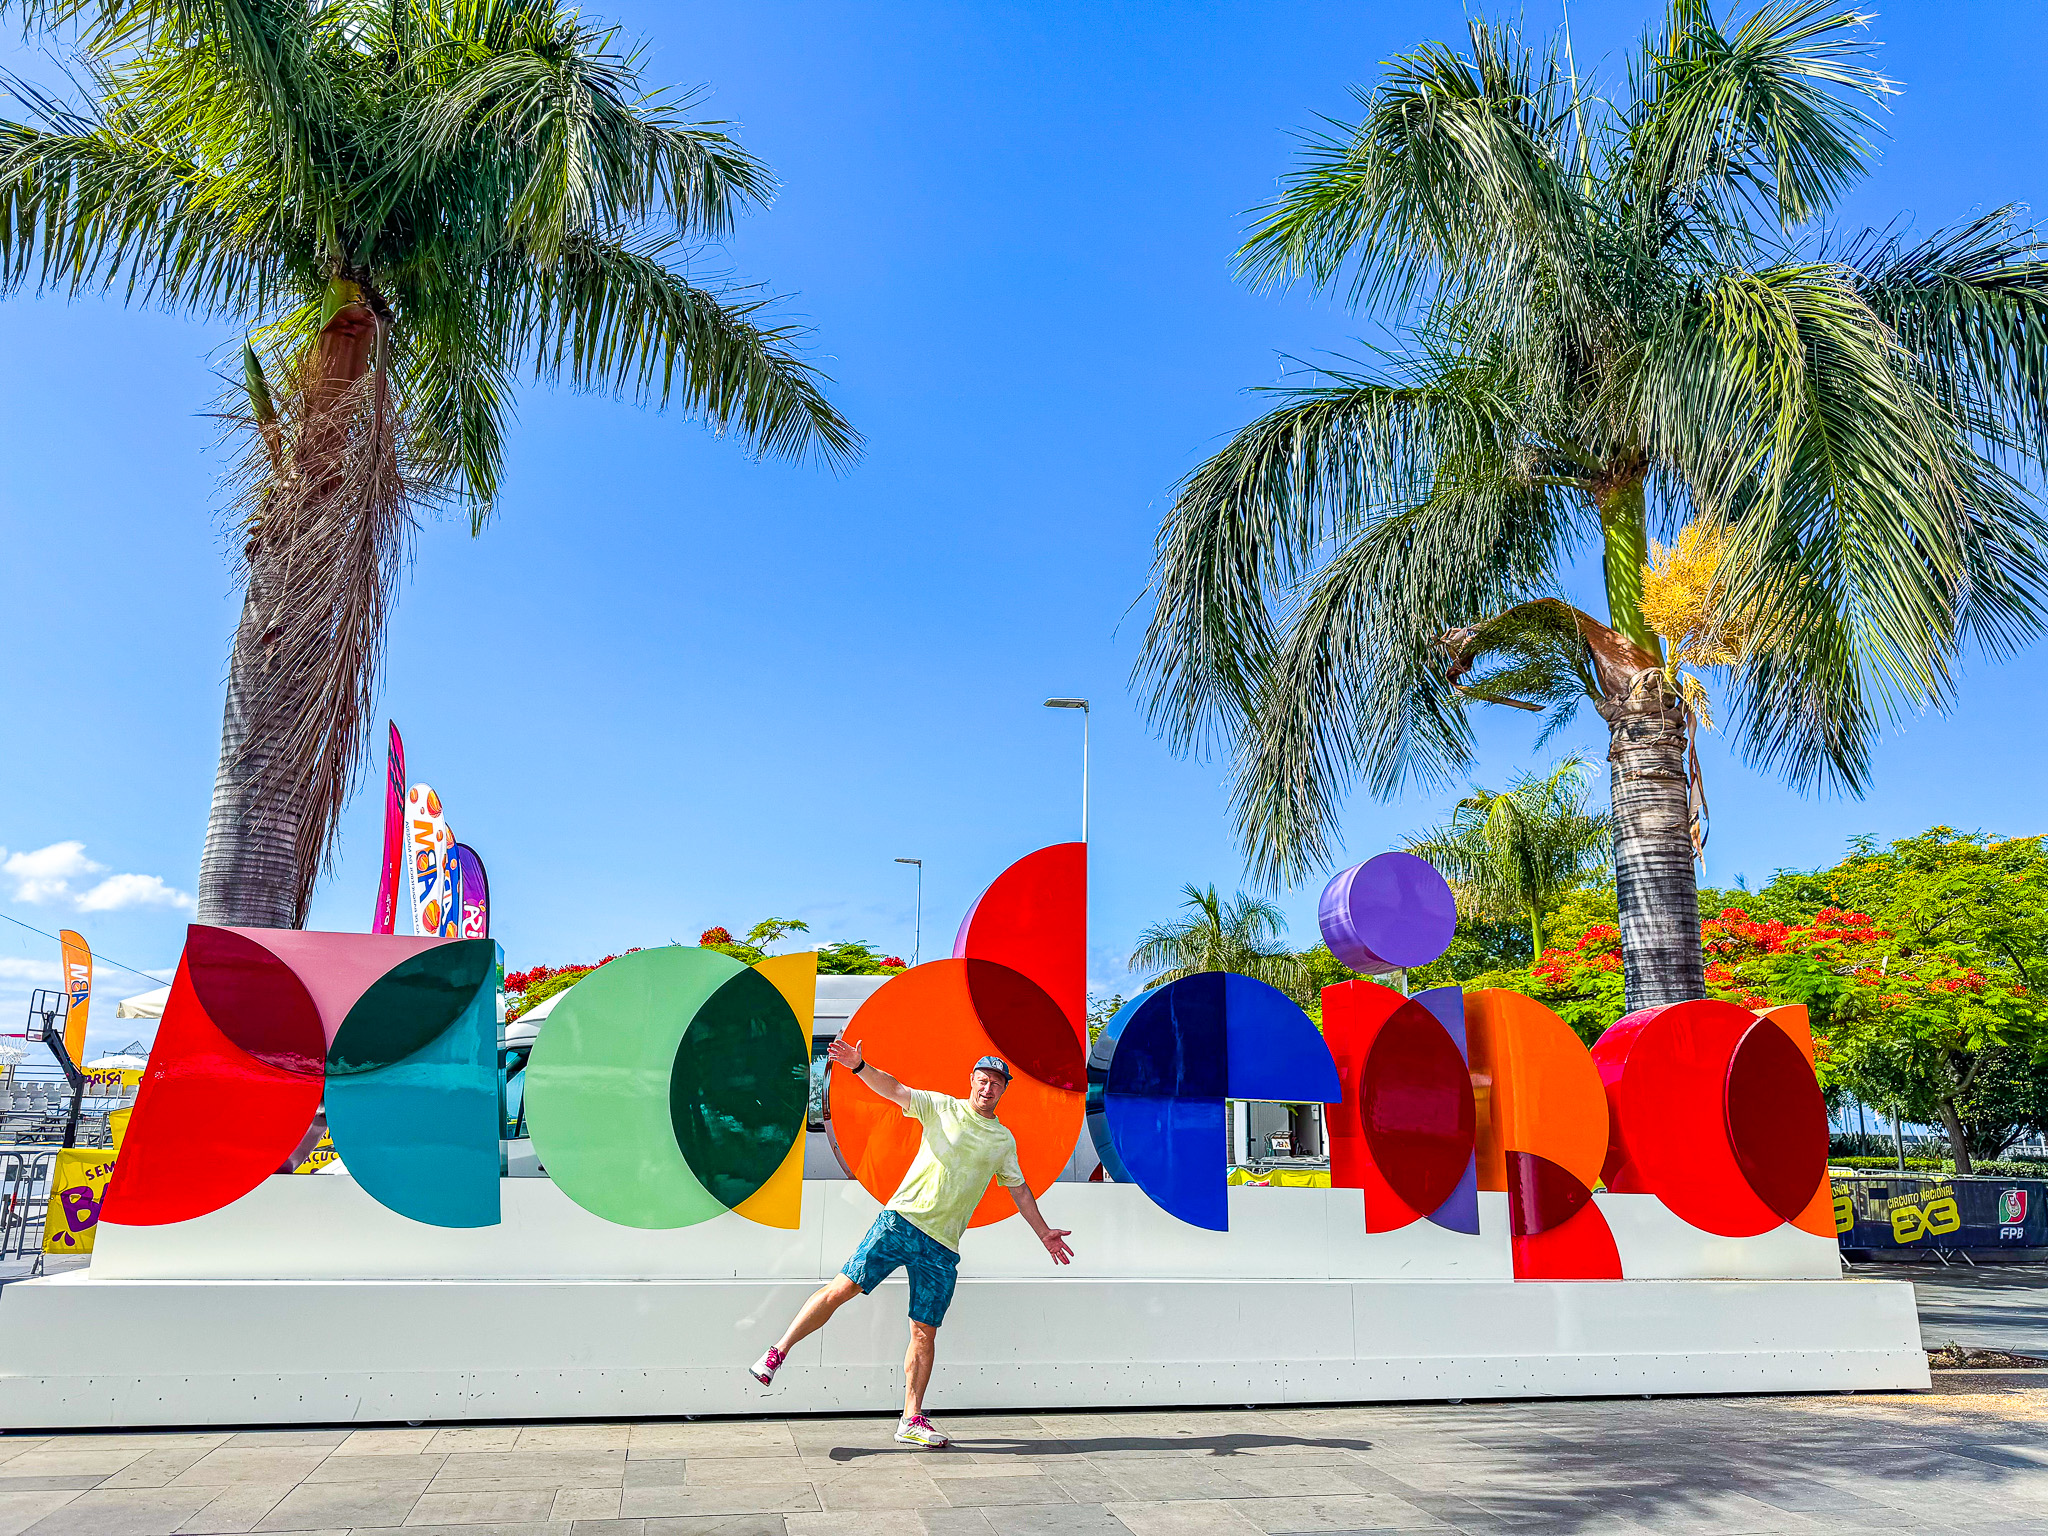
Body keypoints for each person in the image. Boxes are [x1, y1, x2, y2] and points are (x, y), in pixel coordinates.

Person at [749, 1042, 1075, 1446]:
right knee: (842, 1289)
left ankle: (911, 1419)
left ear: (1004, 1090)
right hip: (900, 1222)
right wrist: (859, 1066)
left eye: (996, 1084)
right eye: (983, 1080)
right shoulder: (941, 1107)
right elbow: (896, 1089)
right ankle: (777, 1352)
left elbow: (1020, 1189)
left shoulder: (1002, 1141)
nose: (988, 1088)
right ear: (971, 1082)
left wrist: (1043, 1232)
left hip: (942, 1247)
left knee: (924, 1332)